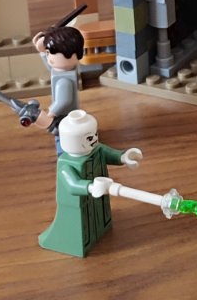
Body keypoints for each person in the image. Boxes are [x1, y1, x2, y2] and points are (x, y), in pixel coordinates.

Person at [38, 110, 143, 259]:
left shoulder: (97, 149)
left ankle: (99, 231)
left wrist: (124, 157)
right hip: (76, 205)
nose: (94, 139)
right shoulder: (66, 163)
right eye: (89, 138)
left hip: (98, 197)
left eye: (94, 135)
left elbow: (111, 155)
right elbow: (72, 184)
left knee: (98, 219)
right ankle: (72, 243)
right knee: (80, 227)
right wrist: (90, 187)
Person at [34, 24, 85, 154]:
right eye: (48, 53)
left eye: (51, 54)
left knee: (62, 134)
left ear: (74, 54)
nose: (49, 58)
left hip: (64, 115)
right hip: (67, 114)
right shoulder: (64, 71)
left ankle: (64, 152)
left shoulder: (64, 81)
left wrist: (50, 114)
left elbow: (63, 101)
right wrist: (42, 51)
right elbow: (51, 67)